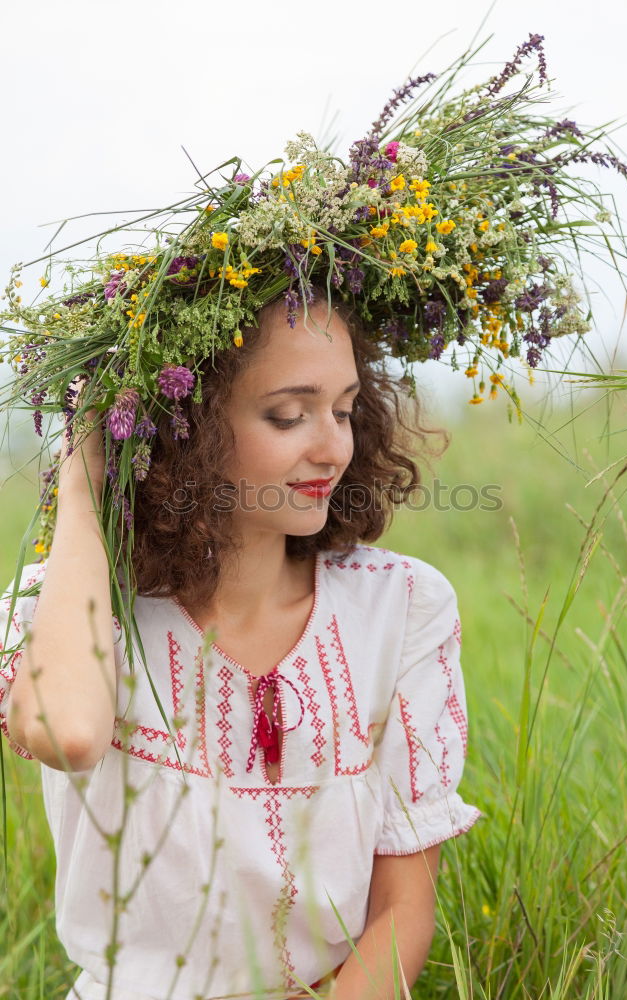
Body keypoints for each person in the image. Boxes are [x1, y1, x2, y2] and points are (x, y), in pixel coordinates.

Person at [0, 289, 480, 1000]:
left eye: (345, 409)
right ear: (187, 428)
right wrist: (83, 486)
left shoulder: (402, 606)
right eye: (288, 415)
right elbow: (68, 735)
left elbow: (401, 906)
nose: (332, 446)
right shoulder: (67, 610)